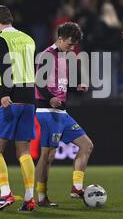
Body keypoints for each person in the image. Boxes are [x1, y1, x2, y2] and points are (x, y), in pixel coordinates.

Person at [35, 22, 93, 207]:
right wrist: (50, 98)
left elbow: (60, 85)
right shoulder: (47, 56)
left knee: (87, 145)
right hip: (48, 111)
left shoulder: (64, 57)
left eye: (74, 45)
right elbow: (39, 83)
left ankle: (77, 187)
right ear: (59, 39)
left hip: (61, 112)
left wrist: (76, 88)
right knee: (48, 157)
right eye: (69, 43)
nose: (72, 48)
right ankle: (42, 197)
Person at [0, 5, 37, 212]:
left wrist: (4, 94)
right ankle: (29, 198)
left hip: (10, 98)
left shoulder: (0, 40)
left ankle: (5, 193)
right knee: (24, 151)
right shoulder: (29, 39)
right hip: (29, 99)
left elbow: (5, 66)